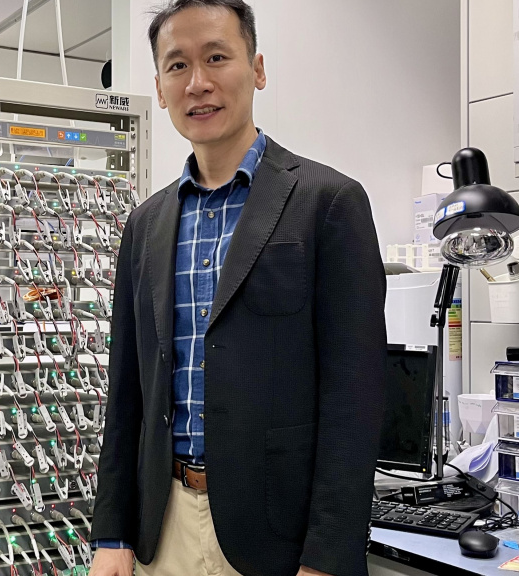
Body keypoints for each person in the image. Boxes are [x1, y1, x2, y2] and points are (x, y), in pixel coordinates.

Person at [89, 1, 386, 575]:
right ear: (158, 85)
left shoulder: (328, 204)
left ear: (257, 69)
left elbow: (355, 400)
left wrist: (327, 556)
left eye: (217, 57)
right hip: (163, 525)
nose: (197, 83)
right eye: (177, 66)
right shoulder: (145, 225)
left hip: (280, 537)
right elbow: (127, 394)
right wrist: (112, 533)